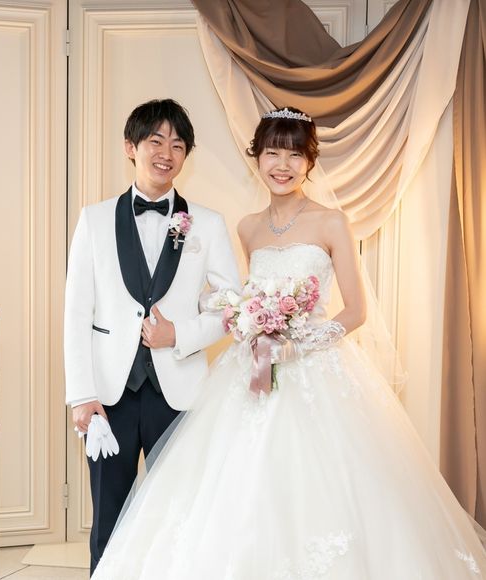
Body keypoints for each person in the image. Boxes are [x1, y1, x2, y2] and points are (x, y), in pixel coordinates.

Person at [90, 107, 486, 579]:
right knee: (236, 486)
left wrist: (298, 345)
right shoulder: (247, 228)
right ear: (257, 157)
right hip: (252, 367)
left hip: (316, 369)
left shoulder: (331, 222)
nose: (283, 165)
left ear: (310, 162)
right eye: (273, 153)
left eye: (295, 155)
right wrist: (246, 320)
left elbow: (355, 311)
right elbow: (233, 298)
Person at [64, 98, 240, 574]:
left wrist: (178, 334)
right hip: (109, 398)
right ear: (131, 147)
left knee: (179, 521)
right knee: (108, 520)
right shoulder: (94, 219)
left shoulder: (207, 223)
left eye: (178, 145)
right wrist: (81, 395)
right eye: (156, 141)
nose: (167, 153)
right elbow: (76, 313)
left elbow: (231, 307)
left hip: (180, 395)